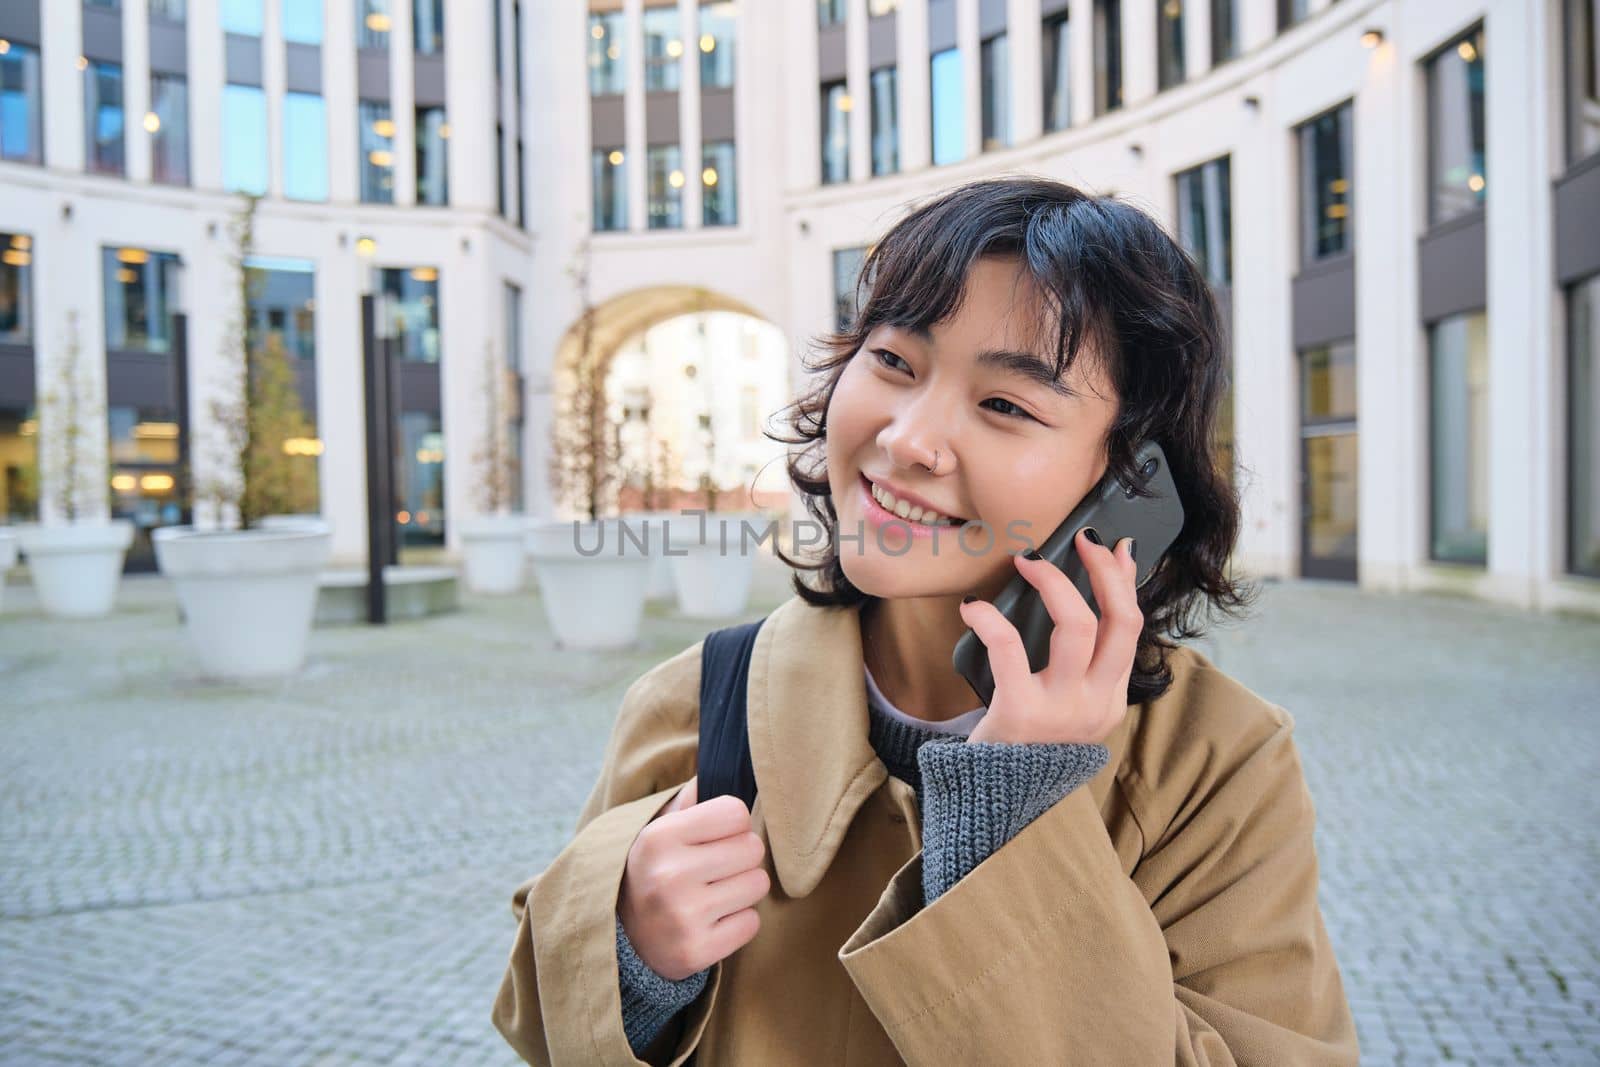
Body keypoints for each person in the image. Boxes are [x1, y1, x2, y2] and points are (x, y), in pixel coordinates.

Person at [492, 176, 1360, 1065]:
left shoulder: (1214, 760)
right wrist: (632, 961)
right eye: (895, 361)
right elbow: (543, 1026)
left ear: (1132, 486)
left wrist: (1015, 827)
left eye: (1006, 405)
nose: (908, 438)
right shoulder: (698, 701)